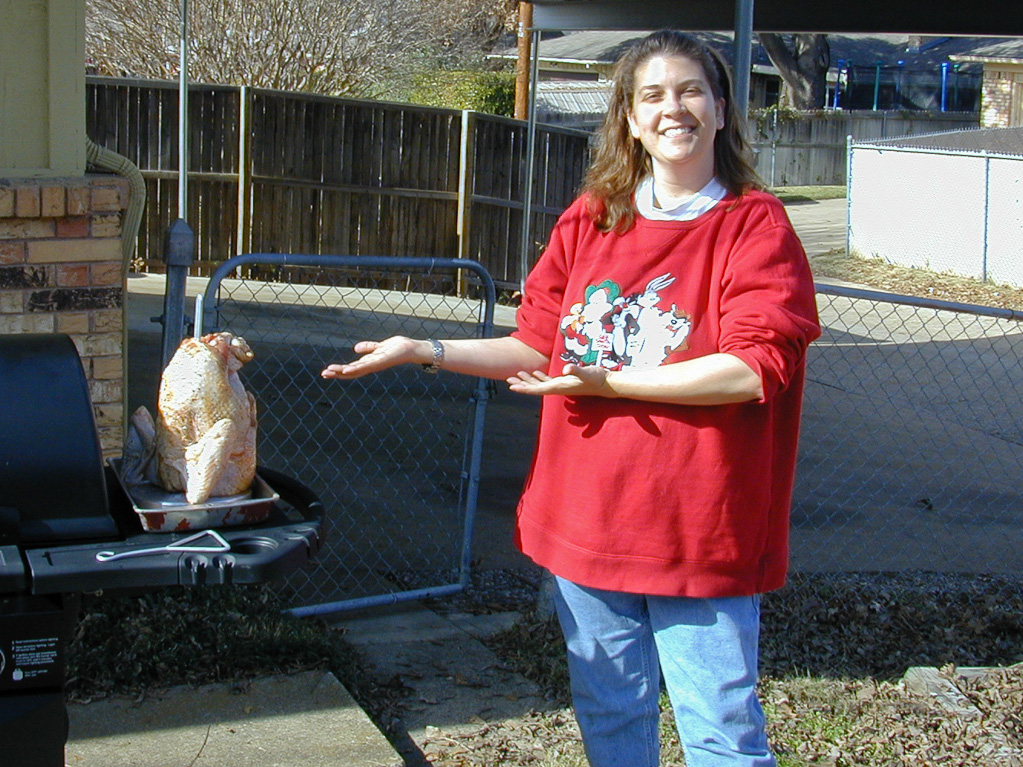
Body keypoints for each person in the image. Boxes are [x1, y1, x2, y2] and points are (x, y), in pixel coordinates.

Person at [322, 30, 820, 767]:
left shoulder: (753, 225)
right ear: (627, 117)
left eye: (689, 91)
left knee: (720, 732)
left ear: (720, 108)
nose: (671, 108)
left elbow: (750, 370)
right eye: (650, 95)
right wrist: (426, 350)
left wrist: (608, 381)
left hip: (697, 532)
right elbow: (535, 345)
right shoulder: (592, 218)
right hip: (585, 521)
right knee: (610, 717)